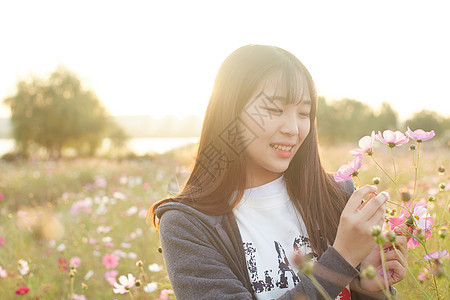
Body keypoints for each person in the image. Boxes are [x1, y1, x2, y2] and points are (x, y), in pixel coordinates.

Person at [148, 44, 408, 300]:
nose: (293, 129)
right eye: (274, 110)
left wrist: (370, 287)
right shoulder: (188, 225)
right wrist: (341, 260)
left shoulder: (339, 197)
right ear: (230, 113)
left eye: (304, 113)